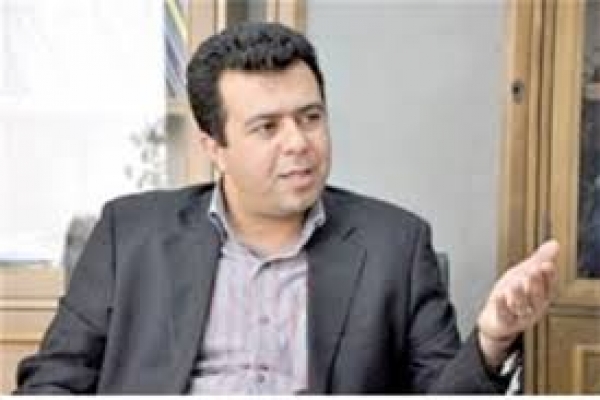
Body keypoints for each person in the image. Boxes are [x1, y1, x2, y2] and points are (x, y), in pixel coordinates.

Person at [15, 22, 559, 394]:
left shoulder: (395, 244)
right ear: (214, 146)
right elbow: (53, 382)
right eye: (267, 127)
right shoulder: (128, 234)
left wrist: (492, 340)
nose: (298, 143)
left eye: (310, 117)